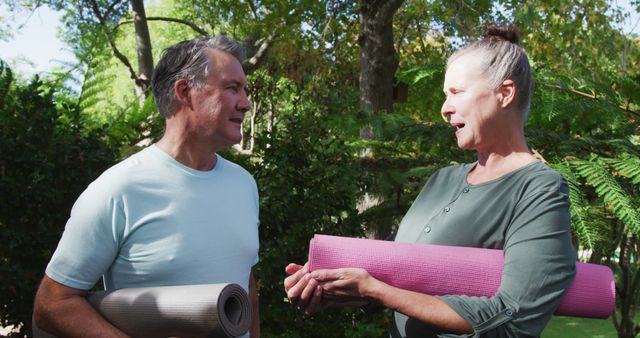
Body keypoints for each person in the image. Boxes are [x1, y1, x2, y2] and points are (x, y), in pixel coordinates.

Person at [284, 24, 576, 337]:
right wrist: (333, 288)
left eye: (457, 92)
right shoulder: (442, 180)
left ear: (504, 93)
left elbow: (513, 319)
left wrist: (375, 290)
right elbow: (398, 280)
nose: (444, 108)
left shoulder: (539, 189)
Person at [33, 35, 260, 338]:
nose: (245, 103)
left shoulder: (244, 184)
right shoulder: (118, 189)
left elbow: (245, 283)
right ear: (185, 92)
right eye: (232, 88)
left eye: (244, 90)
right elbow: (52, 304)